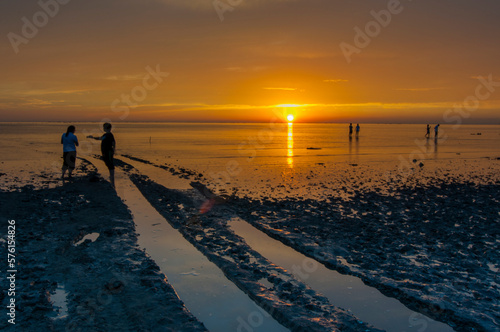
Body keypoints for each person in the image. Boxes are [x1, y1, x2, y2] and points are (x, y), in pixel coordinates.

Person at [88, 123, 116, 187]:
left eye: (104, 127)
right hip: (105, 152)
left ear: (107, 128)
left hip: (108, 151)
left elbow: (113, 143)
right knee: (107, 163)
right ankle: (111, 177)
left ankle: (112, 179)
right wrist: (92, 137)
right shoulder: (105, 135)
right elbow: (100, 138)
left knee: (110, 164)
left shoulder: (110, 135)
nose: (103, 128)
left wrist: (113, 151)